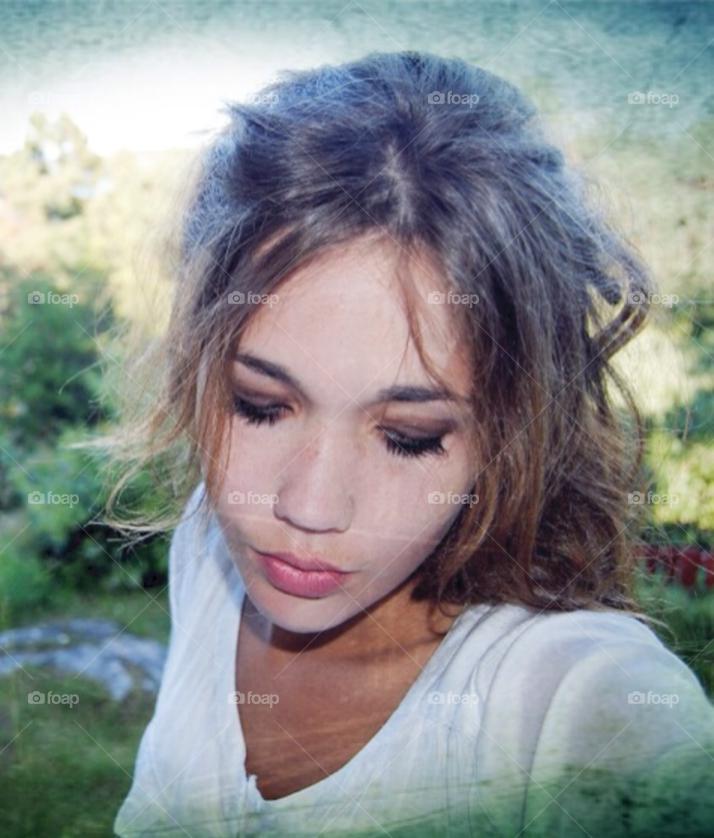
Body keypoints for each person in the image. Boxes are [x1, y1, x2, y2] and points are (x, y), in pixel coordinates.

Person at [94, 51, 714, 836]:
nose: (308, 507)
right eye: (258, 406)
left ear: (509, 433)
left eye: (409, 438)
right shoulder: (208, 551)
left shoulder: (589, 711)